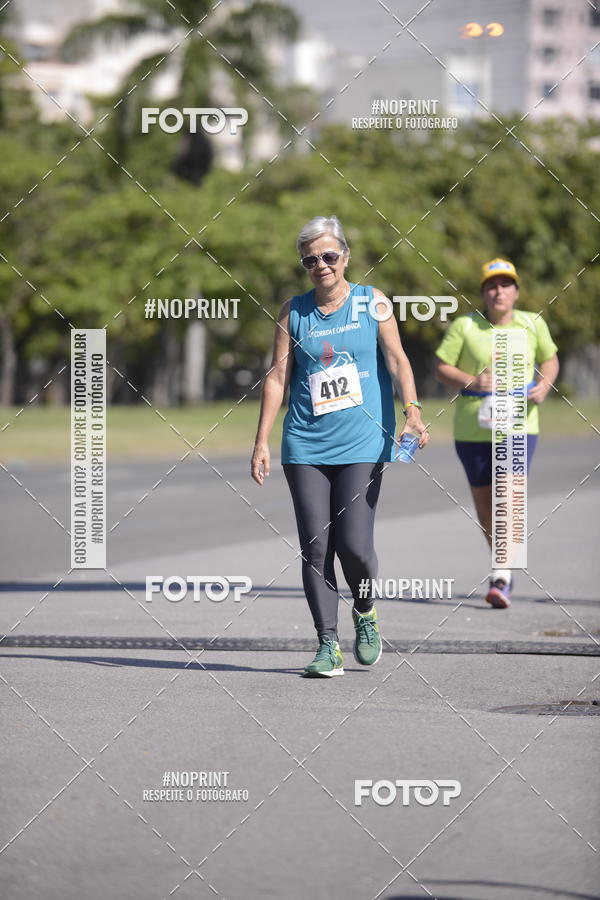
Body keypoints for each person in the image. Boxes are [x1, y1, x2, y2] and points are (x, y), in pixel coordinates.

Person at [251, 215, 429, 677]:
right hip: (305, 443)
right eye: (311, 260)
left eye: (329, 256)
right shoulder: (294, 312)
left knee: (354, 546)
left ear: (345, 257)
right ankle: (327, 644)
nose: (321, 266)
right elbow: (277, 378)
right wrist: (262, 441)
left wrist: (413, 410)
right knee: (315, 547)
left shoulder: (374, 303)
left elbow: (397, 360)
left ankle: (365, 613)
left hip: (363, 441)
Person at [435, 258, 559, 608]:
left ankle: (501, 575)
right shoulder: (465, 326)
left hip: (518, 425)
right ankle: (504, 565)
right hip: (472, 428)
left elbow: (550, 359)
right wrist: (469, 380)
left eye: (506, 284)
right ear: (483, 293)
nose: (498, 290)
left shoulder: (532, 323)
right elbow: (442, 367)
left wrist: (545, 384)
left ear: (516, 291)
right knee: (487, 509)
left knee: (509, 498)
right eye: (492, 285)